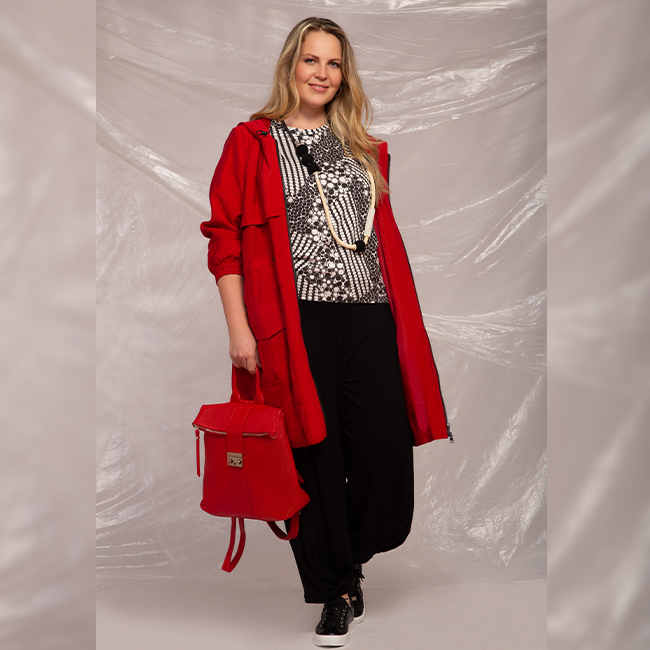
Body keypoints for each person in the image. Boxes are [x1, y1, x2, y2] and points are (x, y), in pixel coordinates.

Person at [200, 17, 451, 647]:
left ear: (345, 75)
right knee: (315, 455)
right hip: (294, 322)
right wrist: (239, 328)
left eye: (333, 63)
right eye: (310, 60)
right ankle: (335, 590)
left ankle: (348, 557)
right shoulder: (253, 142)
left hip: (369, 314)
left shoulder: (364, 147)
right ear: (291, 66)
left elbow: (375, 238)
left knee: (383, 450)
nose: (321, 73)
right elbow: (225, 239)